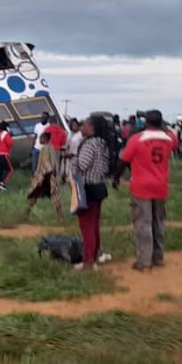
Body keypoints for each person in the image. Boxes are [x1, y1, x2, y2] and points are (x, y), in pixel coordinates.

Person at [115, 110, 178, 271]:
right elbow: (170, 134)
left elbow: (123, 161)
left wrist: (116, 177)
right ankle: (158, 257)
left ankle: (144, 260)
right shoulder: (169, 139)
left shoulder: (137, 139)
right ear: (161, 122)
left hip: (141, 186)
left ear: (145, 122)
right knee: (158, 222)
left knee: (143, 223)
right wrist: (162, 124)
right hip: (161, 186)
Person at [72, 116, 111, 270]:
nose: (82, 126)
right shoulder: (103, 143)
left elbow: (82, 165)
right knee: (93, 224)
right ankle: (93, 256)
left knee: (86, 226)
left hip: (86, 186)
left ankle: (89, 261)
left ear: (92, 127)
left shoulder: (89, 144)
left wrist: (72, 159)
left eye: (86, 124)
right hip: (99, 186)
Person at [26, 132, 62, 220]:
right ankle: (60, 216)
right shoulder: (47, 148)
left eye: (41, 138)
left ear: (45, 139)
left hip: (46, 175)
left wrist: (41, 175)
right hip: (45, 174)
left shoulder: (48, 148)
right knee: (51, 195)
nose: (39, 140)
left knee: (39, 193)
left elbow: (49, 162)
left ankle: (26, 213)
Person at [0, 120, 15, 191]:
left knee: (0, 170)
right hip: (3, 154)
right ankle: (2, 183)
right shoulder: (5, 134)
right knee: (10, 170)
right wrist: (11, 135)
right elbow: (10, 143)